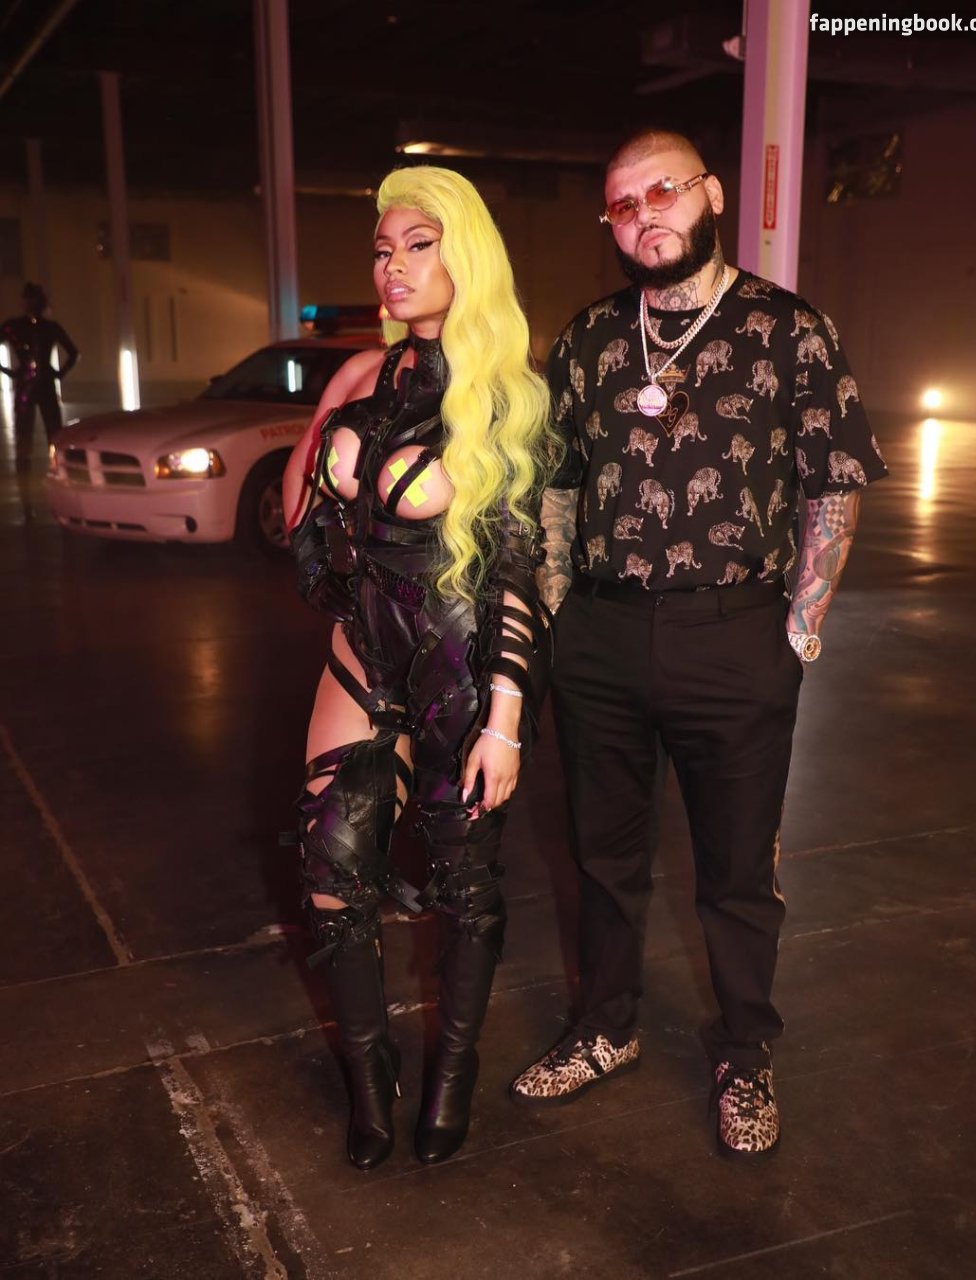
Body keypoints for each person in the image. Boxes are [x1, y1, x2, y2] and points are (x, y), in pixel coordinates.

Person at [509, 130, 887, 1160]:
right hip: (600, 633)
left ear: (712, 194)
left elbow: (833, 480)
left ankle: (744, 1052)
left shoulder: (787, 329)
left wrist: (799, 626)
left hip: (734, 634)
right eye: (622, 204)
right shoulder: (590, 339)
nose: (644, 216)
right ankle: (605, 1026)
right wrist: (559, 610)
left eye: (662, 191)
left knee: (736, 869)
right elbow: (557, 483)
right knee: (603, 855)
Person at [281, 165, 557, 1170]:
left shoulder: (510, 390)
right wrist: (325, 496)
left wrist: (504, 721)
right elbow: (302, 510)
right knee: (329, 867)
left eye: (418, 246)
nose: (392, 267)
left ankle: (452, 1070)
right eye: (382, 250)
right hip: (364, 648)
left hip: (463, 661)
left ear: (465, 255)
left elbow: (520, 565)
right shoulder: (365, 373)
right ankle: (370, 1072)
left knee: (462, 882)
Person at [1, 282, 78, 522]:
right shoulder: (42, 327)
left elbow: (73, 353)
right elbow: (73, 353)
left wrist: (12, 372)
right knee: (47, 435)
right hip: (40, 385)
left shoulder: (18, 326)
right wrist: (58, 373)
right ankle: (45, 491)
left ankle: (34, 498)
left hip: (31, 386)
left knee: (40, 436)